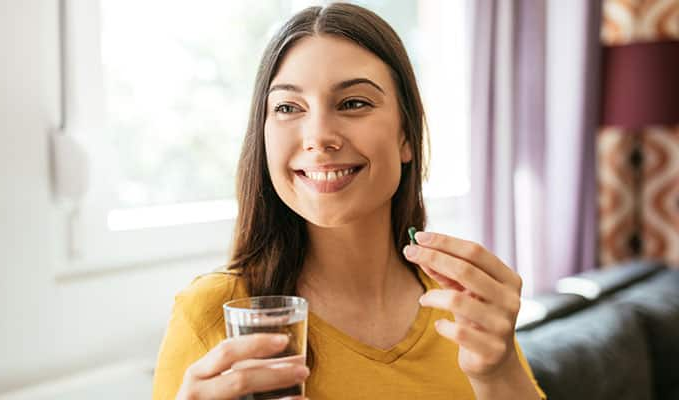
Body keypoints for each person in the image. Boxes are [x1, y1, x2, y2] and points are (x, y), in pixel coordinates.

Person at [152, 3, 546, 399]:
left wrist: (499, 373)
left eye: (353, 103)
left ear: (406, 136)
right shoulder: (211, 313)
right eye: (288, 107)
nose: (319, 136)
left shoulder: (465, 306)